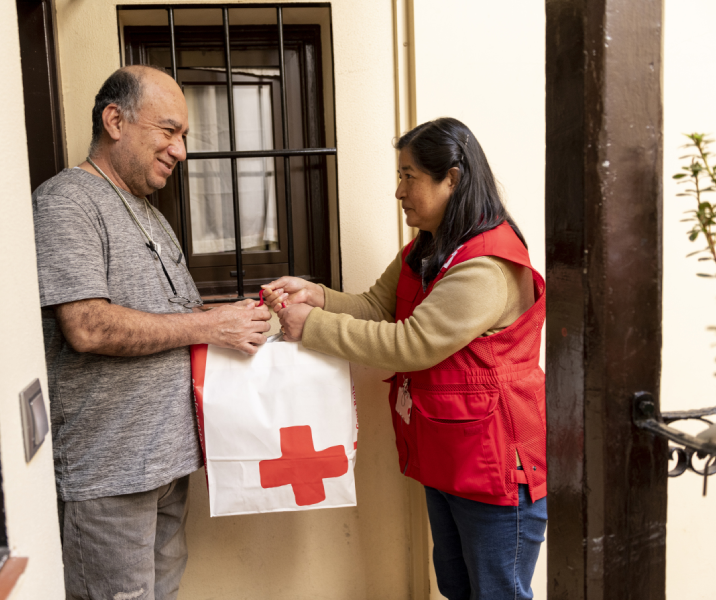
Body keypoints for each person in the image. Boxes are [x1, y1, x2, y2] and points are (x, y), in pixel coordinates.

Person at [263, 117, 547, 600]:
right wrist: (318, 297)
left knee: (498, 593)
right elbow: (377, 306)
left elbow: (411, 343)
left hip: (494, 463)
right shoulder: (428, 247)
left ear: (452, 179)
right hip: (449, 452)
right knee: (457, 587)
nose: (399, 191)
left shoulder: (486, 265)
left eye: (409, 176)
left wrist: (311, 327)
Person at [32, 65, 271, 600]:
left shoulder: (148, 213)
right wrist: (212, 324)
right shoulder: (67, 202)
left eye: (182, 136)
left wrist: (237, 312)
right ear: (114, 120)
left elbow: (173, 314)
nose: (180, 151)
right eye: (168, 131)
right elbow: (88, 326)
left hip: (166, 463)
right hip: (109, 473)